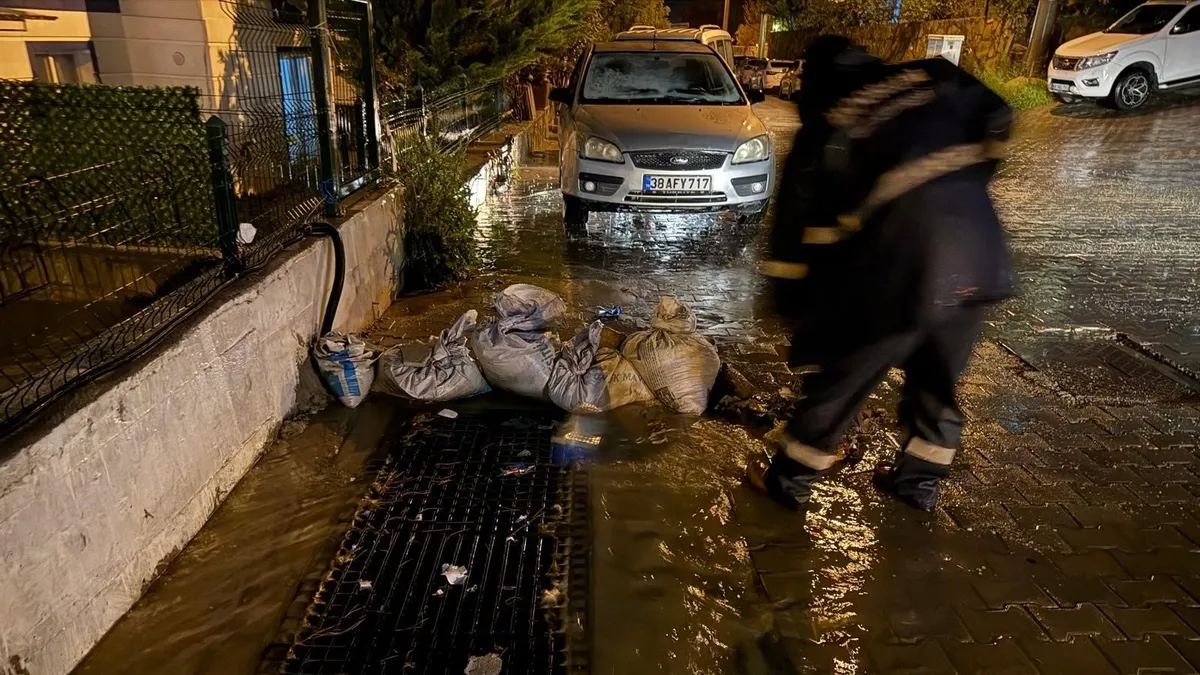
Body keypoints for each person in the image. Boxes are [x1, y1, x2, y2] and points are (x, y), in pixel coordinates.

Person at [749, 36, 1015, 512]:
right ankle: (918, 485)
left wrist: (794, 311)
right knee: (937, 379)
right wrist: (964, 187)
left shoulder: (825, 124)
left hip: (903, 268)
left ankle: (787, 483)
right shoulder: (933, 75)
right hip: (981, 258)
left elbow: (793, 241)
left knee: (845, 377)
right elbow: (999, 117)